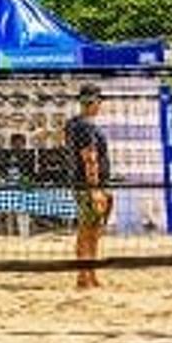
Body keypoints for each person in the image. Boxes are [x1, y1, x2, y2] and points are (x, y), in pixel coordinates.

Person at [65, 83, 113, 290]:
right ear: (92, 102)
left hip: (84, 184)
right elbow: (89, 160)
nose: (100, 105)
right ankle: (84, 276)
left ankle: (89, 274)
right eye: (98, 101)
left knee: (91, 231)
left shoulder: (73, 124)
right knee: (88, 231)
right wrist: (94, 189)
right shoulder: (86, 127)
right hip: (89, 186)